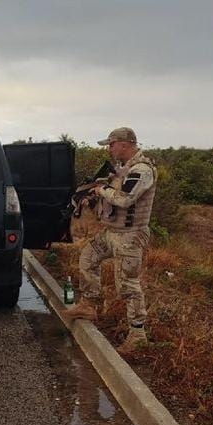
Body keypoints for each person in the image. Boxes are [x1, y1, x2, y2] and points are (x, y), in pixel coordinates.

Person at [66, 127, 157, 354]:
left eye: (112, 144)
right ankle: (88, 304)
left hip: (130, 235)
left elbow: (125, 199)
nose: (109, 149)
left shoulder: (141, 170)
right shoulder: (121, 170)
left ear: (124, 144)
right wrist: (93, 197)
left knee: (127, 283)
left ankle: (137, 334)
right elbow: (112, 200)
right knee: (88, 257)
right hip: (112, 232)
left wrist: (102, 190)